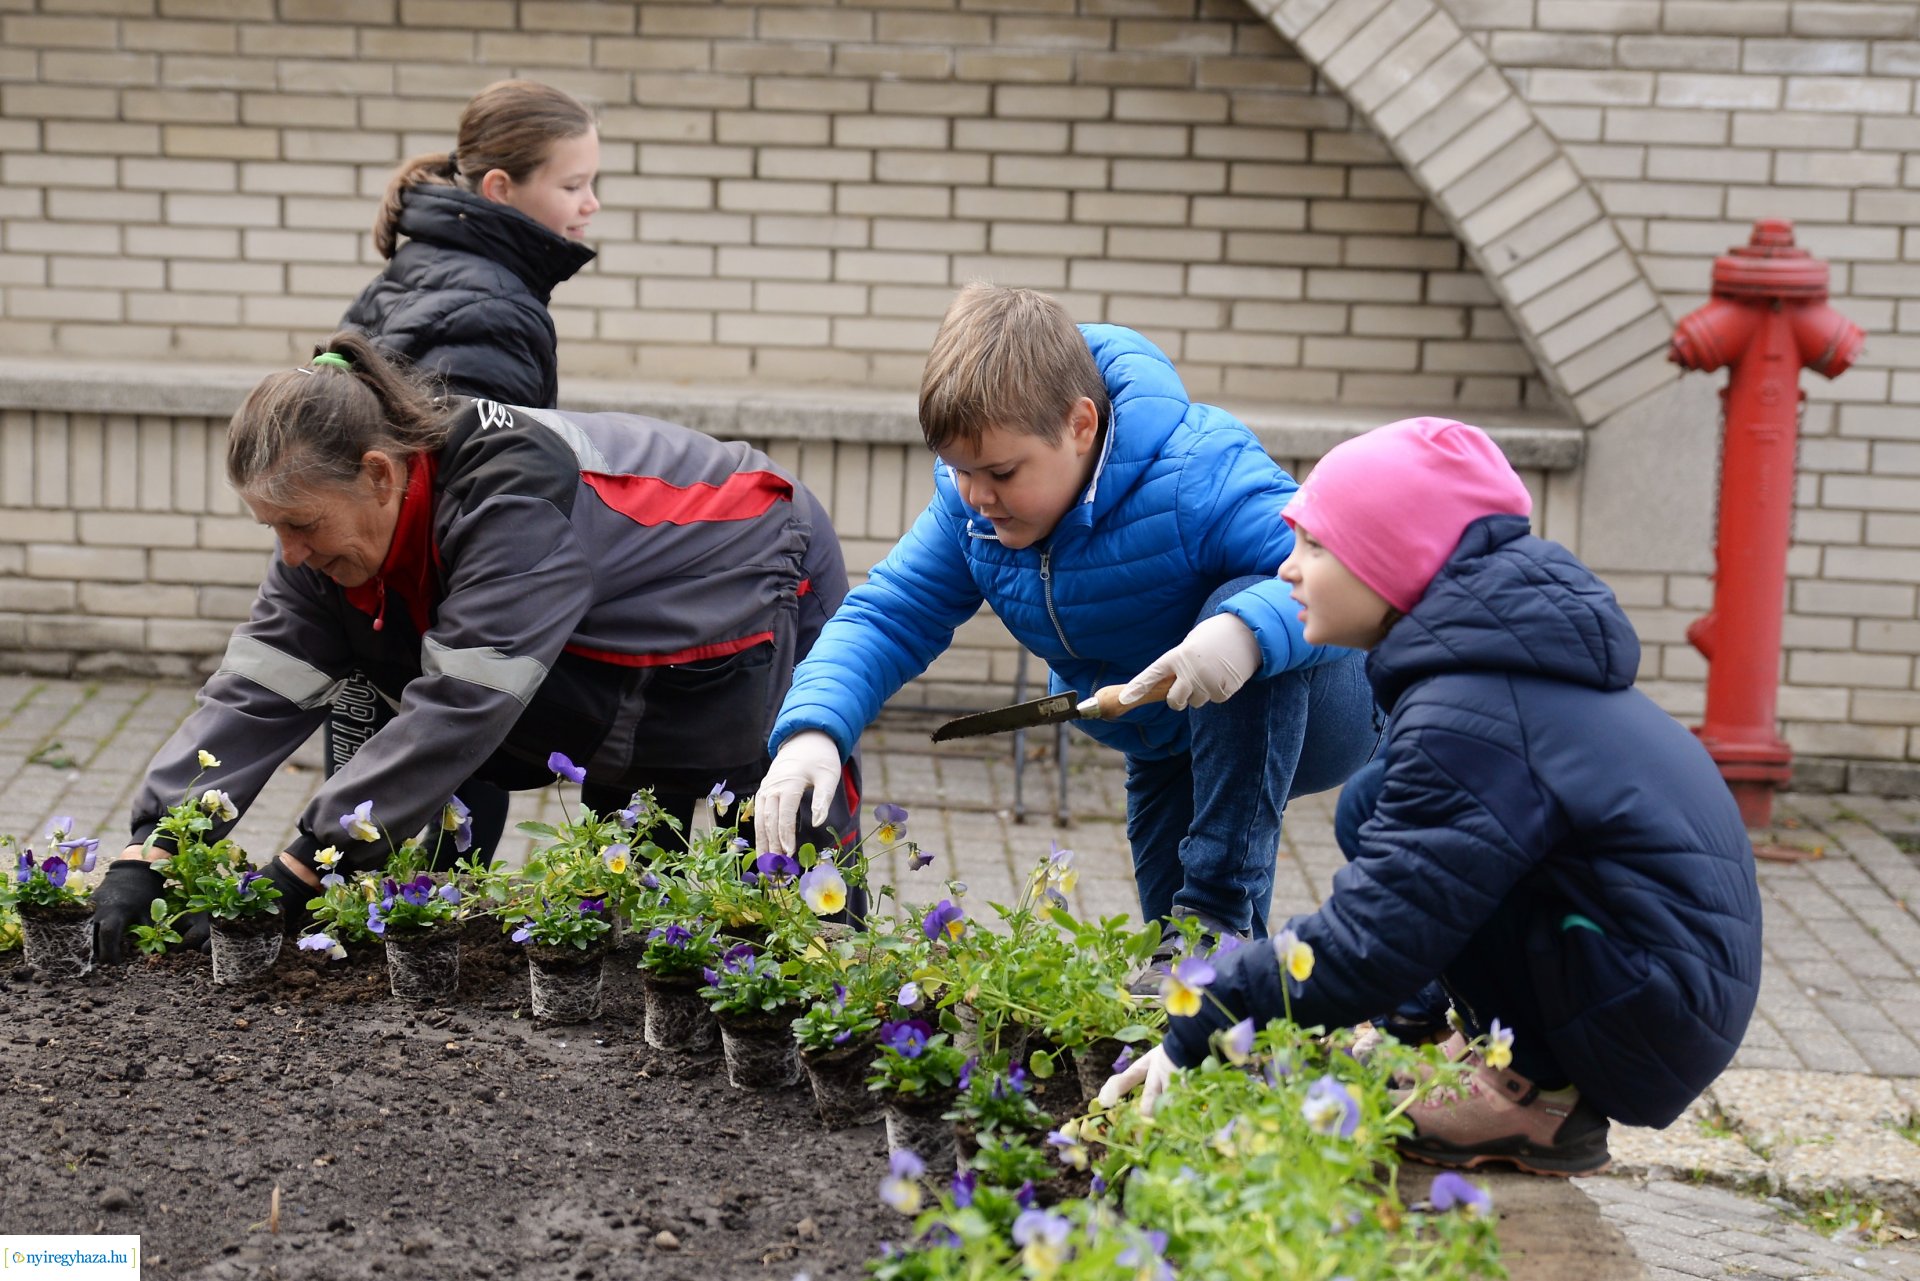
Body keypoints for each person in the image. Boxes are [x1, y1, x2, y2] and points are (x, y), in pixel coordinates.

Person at [1098, 417, 1763, 1177]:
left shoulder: (1472, 716)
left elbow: (1376, 937)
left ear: (1393, 562)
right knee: (1377, 801)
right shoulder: (1480, 678)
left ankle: (1537, 1094)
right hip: (1648, 976)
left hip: (1651, 1010)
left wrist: (1202, 1017)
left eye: (1314, 546)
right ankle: (1462, 1042)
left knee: (1435, 865)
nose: (1286, 570)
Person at [92, 332, 858, 962]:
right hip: (630, 621)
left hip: (756, 561)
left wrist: (303, 867)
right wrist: (152, 850)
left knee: (783, 836)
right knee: (646, 882)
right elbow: (257, 689)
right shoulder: (332, 537)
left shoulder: (513, 501)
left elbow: (460, 705)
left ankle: (845, 996)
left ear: (379, 475)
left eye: (300, 524)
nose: (290, 551)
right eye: (273, 529)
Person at [754, 284, 1379, 958]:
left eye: (999, 470)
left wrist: (1246, 631)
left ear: (1081, 425)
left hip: (1327, 702)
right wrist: (813, 728)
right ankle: (1224, 1015)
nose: (977, 494)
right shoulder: (971, 513)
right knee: (1180, 965)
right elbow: (891, 613)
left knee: (1209, 911)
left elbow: (1347, 576)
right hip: (1167, 740)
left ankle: (1221, 911)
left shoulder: (1198, 469)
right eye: (960, 470)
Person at [331, 80, 602, 827]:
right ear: (498, 188)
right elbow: (486, 494)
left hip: (370, 609)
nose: (591, 205)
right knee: (431, 882)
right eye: (574, 184)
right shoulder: (495, 306)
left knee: (359, 848)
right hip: (438, 623)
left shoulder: (415, 269)